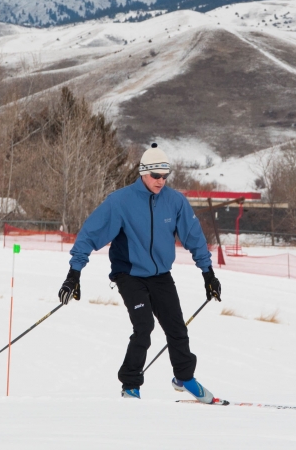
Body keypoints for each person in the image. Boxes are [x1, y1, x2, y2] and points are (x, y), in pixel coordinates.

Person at [58, 143, 222, 401]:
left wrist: (208, 274)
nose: (161, 181)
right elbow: (90, 234)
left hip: (160, 275)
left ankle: (184, 378)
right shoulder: (120, 201)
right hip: (130, 275)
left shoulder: (175, 201)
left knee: (177, 328)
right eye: (156, 175)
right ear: (143, 172)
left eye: (165, 176)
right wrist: (73, 274)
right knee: (144, 326)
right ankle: (130, 384)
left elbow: (194, 237)